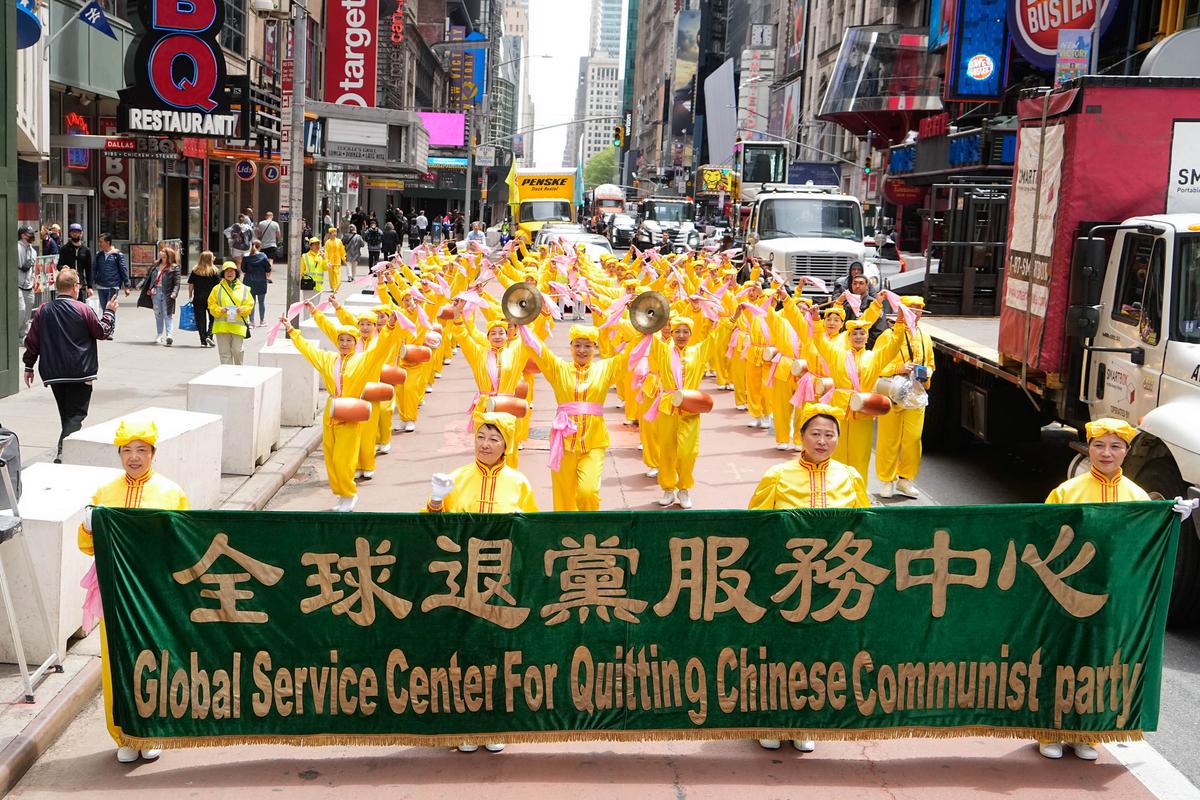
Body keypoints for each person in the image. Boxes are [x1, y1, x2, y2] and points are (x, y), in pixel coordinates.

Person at [747, 403, 868, 754]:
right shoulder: (777, 476)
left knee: (821, 652)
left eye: (830, 434)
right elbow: (754, 524)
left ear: (838, 439)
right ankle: (770, 720)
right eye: (815, 433)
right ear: (801, 436)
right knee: (777, 650)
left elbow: (865, 525)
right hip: (785, 580)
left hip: (832, 582)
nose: (822, 440)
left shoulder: (850, 477)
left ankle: (806, 722)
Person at [78, 419, 187, 763]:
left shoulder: (172, 493)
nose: (134, 457)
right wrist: (87, 526)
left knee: (154, 657)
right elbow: (87, 547)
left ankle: (151, 729)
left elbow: (183, 544)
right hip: (115, 591)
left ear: (153, 453)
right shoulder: (104, 493)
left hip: (154, 591)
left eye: (141, 450)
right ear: (119, 454)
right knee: (116, 660)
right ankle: (124, 733)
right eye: (127, 450)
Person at [279, 308, 400, 511]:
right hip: (332, 410)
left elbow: (382, 348)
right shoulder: (329, 360)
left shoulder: (363, 360)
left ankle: (349, 493)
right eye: (341, 340)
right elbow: (308, 350)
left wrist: (390, 326)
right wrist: (292, 330)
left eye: (348, 340)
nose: (344, 344)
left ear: (355, 342)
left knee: (343, 459)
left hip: (351, 411)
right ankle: (341, 494)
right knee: (331, 456)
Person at [524, 323, 630, 511]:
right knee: (564, 495)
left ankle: (589, 530)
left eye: (588, 345)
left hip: (594, 441)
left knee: (587, 492)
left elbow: (631, 354)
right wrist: (522, 324)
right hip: (563, 442)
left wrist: (646, 331)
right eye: (578, 345)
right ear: (571, 346)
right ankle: (565, 534)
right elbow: (538, 349)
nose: (582, 350)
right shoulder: (558, 369)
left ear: (595, 347)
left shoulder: (605, 369)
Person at [23, 268, 118, 461]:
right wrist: (109, 312)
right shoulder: (83, 309)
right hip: (80, 371)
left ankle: (67, 449)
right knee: (76, 415)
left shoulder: (43, 310)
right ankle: (63, 451)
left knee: (67, 415)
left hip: (54, 373)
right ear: (75, 287)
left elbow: (32, 341)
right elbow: (103, 331)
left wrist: (29, 366)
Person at [874, 296, 934, 499]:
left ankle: (905, 479)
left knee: (913, 439)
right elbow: (877, 364)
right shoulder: (888, 336)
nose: (915, 313)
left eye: (918, 310)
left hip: (916, 394)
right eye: (911, 309)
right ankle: (887, 480)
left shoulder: (925, 336)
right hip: (893, 393)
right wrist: (898, 368)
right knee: (889, 439)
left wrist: (927, 373)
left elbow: (931, 364)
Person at [206, 261, 255, 364]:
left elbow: (250, 305)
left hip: (238, 327)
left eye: (232, 271)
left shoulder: (244, 289)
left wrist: (242, 309)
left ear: (236, 273)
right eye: (227, 271)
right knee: (224, 354)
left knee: (238, 351)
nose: (229, 273)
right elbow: (211, 305)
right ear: (223, 273)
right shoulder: (217, 289)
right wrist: (220, 310)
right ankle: (227, 376)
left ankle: (238, 372)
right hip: (222, 327)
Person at [139, 246, 181, 346]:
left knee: (167, 314)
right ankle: (159, 335)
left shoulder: (174, 267)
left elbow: (177, 283)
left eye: (163, 251)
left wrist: (174, 293)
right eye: (161, 251)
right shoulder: (155, 265)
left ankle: (169, 335)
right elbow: (147, 277)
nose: (160, 252)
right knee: (158, 314)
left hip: (167, 294)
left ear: (168, 255)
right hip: (155, 292)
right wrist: (140, 284)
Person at [186, 251, 221, 347]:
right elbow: (218, 286)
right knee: (213, 318)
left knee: (200, 319)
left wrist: (190, 295)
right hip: (212, 299)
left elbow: (191, 284)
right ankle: (210, 335)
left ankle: (203, 340)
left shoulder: (195, 270)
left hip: (198, 298)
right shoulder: (214, 271)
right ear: (211, 259)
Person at [92, 233, 131, 312]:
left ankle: (111, 324)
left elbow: (123, 270)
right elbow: (94, 269)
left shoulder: (118, 255)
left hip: (113, 287)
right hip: (101, 286)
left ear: (108, 242)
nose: (99, 244)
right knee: (104, 310)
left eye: (101, 242)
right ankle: (106, 324)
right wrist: (90, 284)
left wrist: (127, 286)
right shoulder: (99, 255)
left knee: (110, 310)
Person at [240, 240, 272, 327]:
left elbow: (243, 269)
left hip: (249, 281)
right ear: (260, 247)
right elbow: (268, 269)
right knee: (261, 302)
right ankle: (262, 321)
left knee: (251, 302)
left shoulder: (246, 257)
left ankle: (251, 322)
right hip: (261, 281)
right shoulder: (263, 256)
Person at [16, 225, 38, 338]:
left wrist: (33, 280)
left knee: (27, 313)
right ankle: (13, 334)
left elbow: (33, 268)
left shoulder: (33, 251)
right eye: (30, 233)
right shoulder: (16, 248)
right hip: (17, 284)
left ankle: (22, 336)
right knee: (21, 310)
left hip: (29, 286)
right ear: (22, 235)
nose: (32, 235)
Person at [58, 224, 92, 292]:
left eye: (77, 232)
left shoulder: (86, 250)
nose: (75, 234)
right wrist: (63, 267)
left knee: (80, 302)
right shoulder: (64, 249)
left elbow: (89, 269)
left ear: (81, 233)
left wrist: (89, 286)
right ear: (70, 233)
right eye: (73, 232)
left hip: (81, 283)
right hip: (68, 283)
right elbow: (59, 266)